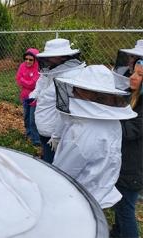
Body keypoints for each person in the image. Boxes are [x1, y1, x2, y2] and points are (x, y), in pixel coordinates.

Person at [52, 65, 137, 209]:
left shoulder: (83, 132)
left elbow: (64, 174)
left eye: (77, 89)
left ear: (91, 94)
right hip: (99, 190)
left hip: (79, 197)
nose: (72, 92)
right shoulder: (112, 121)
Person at [29, 38, 86, 163]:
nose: (47, 60)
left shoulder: (69, 76)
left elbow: (65, 110)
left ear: (62, 57)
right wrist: (35, 94)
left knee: (54, 166)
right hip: (47, 129)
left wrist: (56, 135)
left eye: (51, 57)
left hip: (55, 134)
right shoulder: (53, 69)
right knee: (48, 160)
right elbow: (42, 81)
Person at [110, 59, 143, 238]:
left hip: (133, 166)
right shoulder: (131, 96)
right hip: (124, 161)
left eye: (140, 75)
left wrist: (108, 121)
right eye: (133, 72)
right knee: (120, 203)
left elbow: (130, 131)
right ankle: (117, 233)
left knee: (126, 209)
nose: (132, 77)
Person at [15, 48, 41, 145]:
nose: (28, 61)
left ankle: (36, 139)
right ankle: (29, 134)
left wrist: (24, 81)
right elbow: (18, 78)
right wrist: (27, 82)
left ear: (35, 60)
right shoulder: (22, 66)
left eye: (31, 60)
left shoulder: (38, 68)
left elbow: (34, 84)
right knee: (26, 117)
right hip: (25, 96)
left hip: (34, 98)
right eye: (26, 59)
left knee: (33, 118)